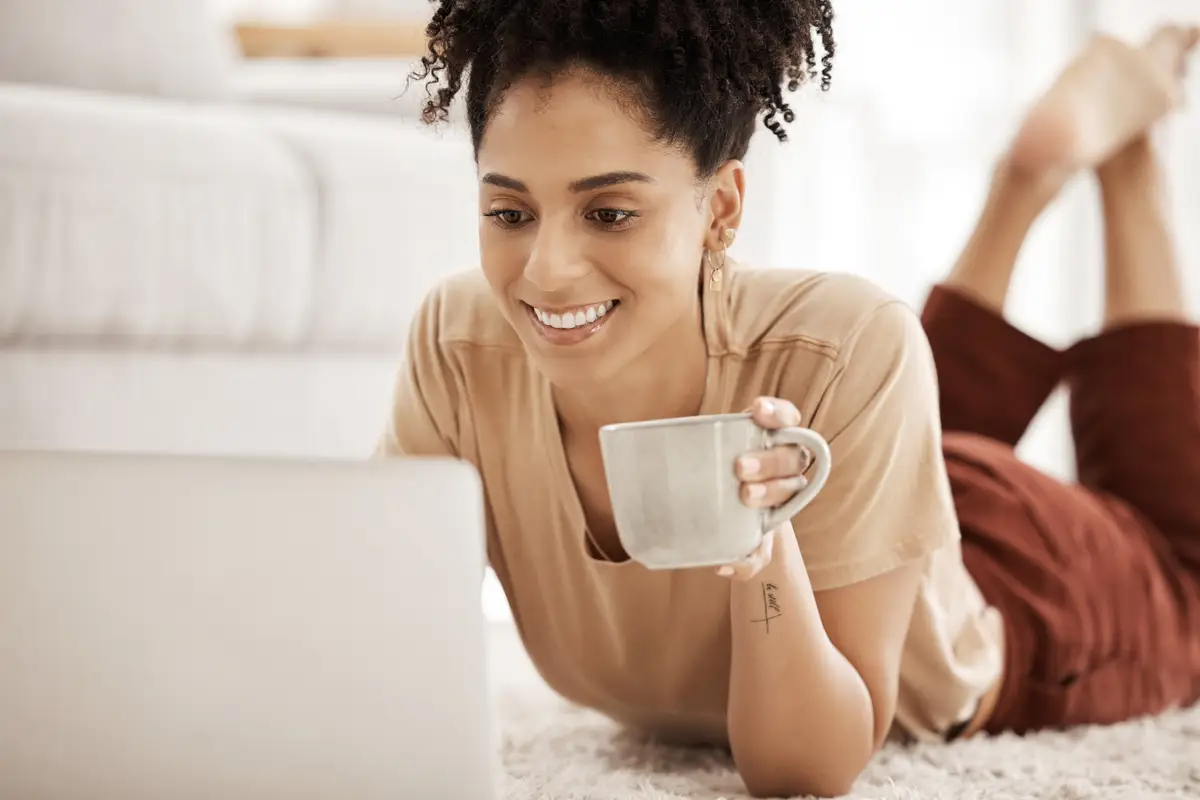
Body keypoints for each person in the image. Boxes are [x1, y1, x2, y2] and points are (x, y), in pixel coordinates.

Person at [377, 0, 1200, 793]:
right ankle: (1027, 178)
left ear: (721, 208)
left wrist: (766, 548)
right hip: (879, 491)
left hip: (1010, 580)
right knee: (906, 413)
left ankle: (1126, 163)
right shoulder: (460, 348)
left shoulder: (847, 342)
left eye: (610, 212)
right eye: (509, 211)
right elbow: (373, 627)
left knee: (1184, 570)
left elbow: (806, 772)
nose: (547, 269)